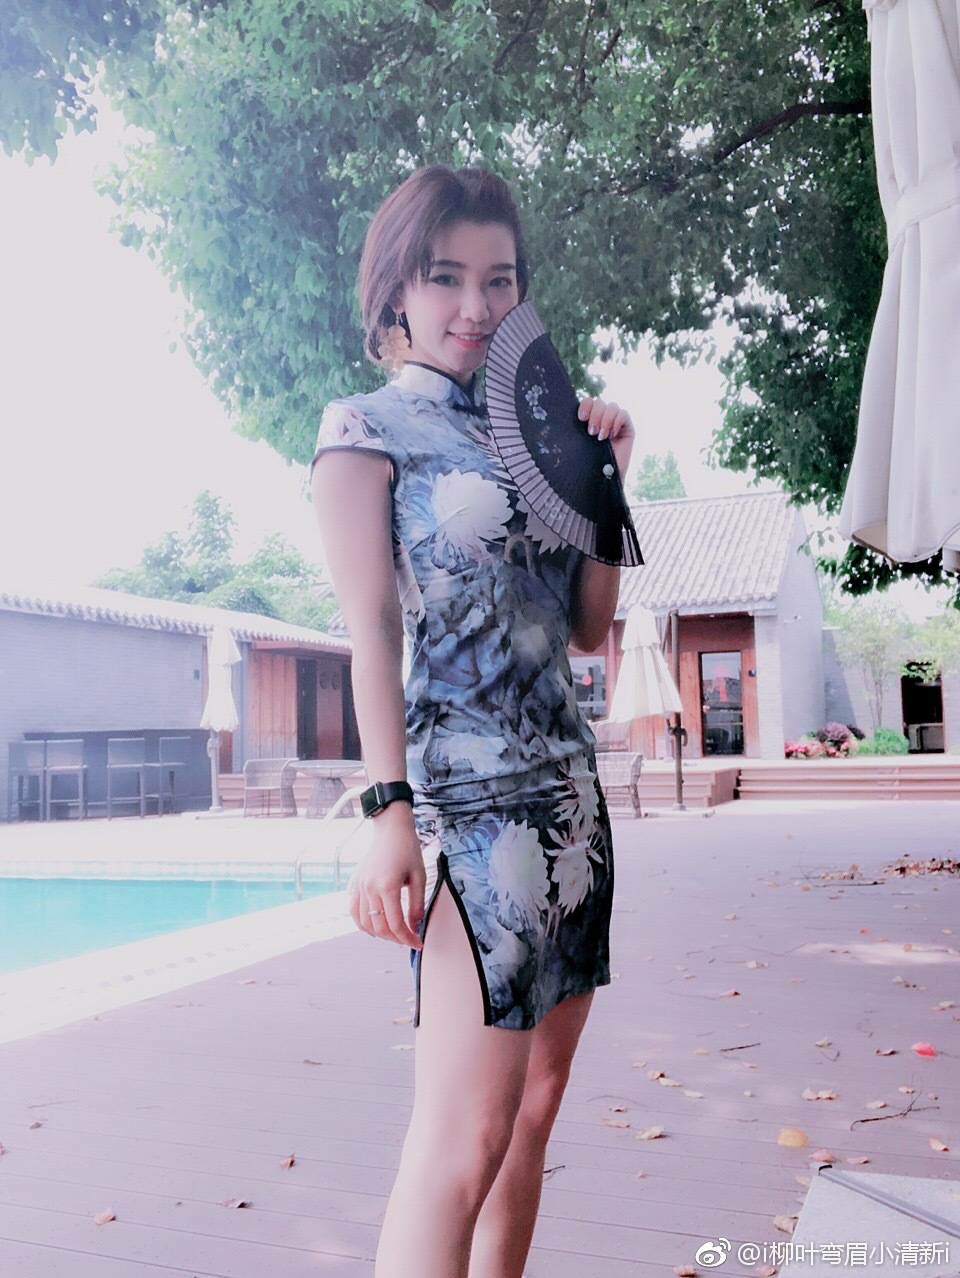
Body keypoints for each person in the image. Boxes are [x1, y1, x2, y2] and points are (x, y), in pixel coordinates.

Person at [310, 163, 635, 1278]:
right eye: (446, 277)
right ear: (396, 290)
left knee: (535, 1113)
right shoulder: (364, 429)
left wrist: (606, 476)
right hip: (470, 811)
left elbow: (587, 627)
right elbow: (370, 630)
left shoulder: (542, 432)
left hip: (572, 805)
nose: (475, 305)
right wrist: (387, 813)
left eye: (499, 280)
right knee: (463, 1144)